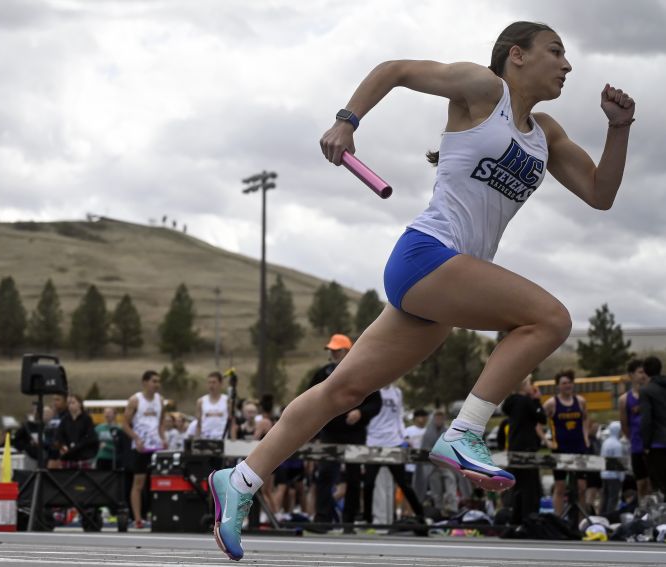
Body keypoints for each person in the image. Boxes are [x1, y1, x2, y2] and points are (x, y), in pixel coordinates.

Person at [209, 20, 635, 559]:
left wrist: (619, 129)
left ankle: (242, 479)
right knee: (550, 320)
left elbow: (601, 194)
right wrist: (346, 122)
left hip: (445, 286)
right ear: (517, 56)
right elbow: (395, 70)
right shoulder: (484, 90)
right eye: (556, 52)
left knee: (343, 392)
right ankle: (465, 432)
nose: (568, 65)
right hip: (428, 255)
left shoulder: (545, 133)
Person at [306, 334, 382, 529]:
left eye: (337, 350)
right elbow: (308, 398)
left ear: (348, 351)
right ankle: (323, 519)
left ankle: (349, 521)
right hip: (330, 432)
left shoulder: (363, 372)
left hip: (354, 434)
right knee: (324, 474)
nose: (333, 354)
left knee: (354, 477)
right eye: (331, 350)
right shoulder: (323, 373)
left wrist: (360, 412)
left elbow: (376, 403)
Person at [363, 383, 425, 525]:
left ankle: (420, 515)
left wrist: (404, 436)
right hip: (374, 442)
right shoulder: (372, 389)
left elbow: (399, 416)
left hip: (393, 442)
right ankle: (367, 519)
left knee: (403, 483)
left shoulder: (397, 392)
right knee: (368, 483)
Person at [121, 370, 166, 529]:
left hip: (156, 446)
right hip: (141, 447)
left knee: (158, 483)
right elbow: (125, 424)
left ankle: (158, 516)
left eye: (158, 381)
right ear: (145, 382)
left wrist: (164, 438)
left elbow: (161, 423)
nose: (156, 384)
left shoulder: (160, 400)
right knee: (138, 483)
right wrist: (136, 438)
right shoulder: (135, 400)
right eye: (154, 381)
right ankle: (138, 518)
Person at [501, 375, 547, 524]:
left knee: (518, 484)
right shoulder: (527, 402)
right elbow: (542, 418)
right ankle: (529, 517)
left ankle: (516, 516)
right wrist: (537, 400)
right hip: (527, 447)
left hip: (514, 446)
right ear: (523, 386)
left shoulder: (510, 402)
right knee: (530, 485)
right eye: (529, 384)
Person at [544, 370, 589, 516]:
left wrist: (586, 437)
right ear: (558, 386)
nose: (567, 385)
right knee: (560, 486)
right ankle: (558, 519)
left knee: (582, 487)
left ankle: (581, 522)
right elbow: (537, 423)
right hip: (560, 449)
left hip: (578, 448)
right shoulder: (551, 403)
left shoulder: (580, 401)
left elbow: (586, 419)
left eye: (570, 382)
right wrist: (547, 441)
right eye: (564, 383)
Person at [619, 359, 650, 497]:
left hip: (654, 445)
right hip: (637, 445)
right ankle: (643, 512)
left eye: (645, 372)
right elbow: (624, 425)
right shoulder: (625, 399)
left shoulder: (652, 394)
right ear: (631, 375)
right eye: (640, 372)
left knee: (653, 482)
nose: (643, 375)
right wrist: (633, 439)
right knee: (641, 483)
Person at [639, 356, 666, 495]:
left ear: (645, 371)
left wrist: (646, 445)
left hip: (658, 444)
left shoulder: (646, 391)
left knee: (660, 487)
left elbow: (646, 420)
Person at [56, 394, 99, 470]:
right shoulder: (65, 419)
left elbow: (90, 437)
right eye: (69, 403)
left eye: (73, 402)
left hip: (83, 456)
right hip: (68, 457)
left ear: (80, 404)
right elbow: (59, 435)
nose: (70, 405)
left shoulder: (87, 419)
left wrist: (76, 446)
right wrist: (63, 446)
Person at [600, 421, 626, 515]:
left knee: (605, 497)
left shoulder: (605, 442)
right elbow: (618, 463)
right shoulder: (618, 445)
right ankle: (609, 516)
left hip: (604, 474)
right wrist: (621, 477)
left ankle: (602, 514)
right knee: (613, 498)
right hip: (614, 476)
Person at [196, 372, 231, 440]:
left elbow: (232, 422)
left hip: (222, 438)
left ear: (220, 384)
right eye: (209, 382)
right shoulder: (201, 401)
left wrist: (233, 441)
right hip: (205, 438)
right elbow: (198, 424)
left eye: (214, 382)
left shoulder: (227, 401)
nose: (211, 385)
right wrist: (196, 440)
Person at [403, 409, 429, 484]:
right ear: (415, 418)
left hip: (424, 466)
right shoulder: (408, 431)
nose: (422, 419)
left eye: (424, 417)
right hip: (410, 466)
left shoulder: (428, 431)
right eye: (420, 416)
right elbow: (403, 446)